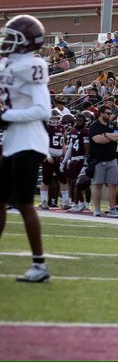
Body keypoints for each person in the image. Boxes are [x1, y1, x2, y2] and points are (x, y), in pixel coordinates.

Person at [0, 14, 53, 282]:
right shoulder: (10, 64)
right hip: (12, 142)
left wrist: (6, 116)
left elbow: (44, 110)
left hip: (29, 142)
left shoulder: (32, 64)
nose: (6, 41)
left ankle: (40, 265)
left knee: (23, 204)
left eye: (12, 37)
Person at [87, 104, 118, 217]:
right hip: (98, 160)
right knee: (97, 185)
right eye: (108, 113)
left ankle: (112, 209)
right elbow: (98, 140)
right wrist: (111, 137)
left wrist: (106, 135)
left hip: (112, 159)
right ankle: (97, 209)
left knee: (113, 185)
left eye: (111, 113)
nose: (110, 115)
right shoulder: (94, 126)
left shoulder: (112, 125)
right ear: (101, 113)